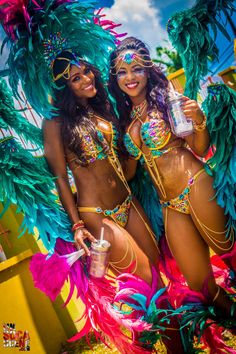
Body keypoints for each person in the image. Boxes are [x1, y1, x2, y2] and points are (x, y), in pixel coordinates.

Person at [43, 50, 185, 353]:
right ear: (64, 88)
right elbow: (59, 178)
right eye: (75, 78)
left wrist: (136, 145)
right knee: (148, 279)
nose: (86, 79)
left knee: (154, 277)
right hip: (98, 215)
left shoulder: (104, 110)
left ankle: (169, 346)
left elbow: (126, 166)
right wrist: (78, 226)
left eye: (86, 71)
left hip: (129, 204)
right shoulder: (54, 125)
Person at [108, 36, 236, 318]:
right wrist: (123, 154)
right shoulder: (124, 121)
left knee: (232, 255)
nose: (130, 77)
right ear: (114, 77)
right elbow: (129, 174)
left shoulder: (168, 99)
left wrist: (199, 120)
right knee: (201, 286)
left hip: (195, 184)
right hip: (169, 205)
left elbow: (200, 148)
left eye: (137, 68)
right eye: (122, 72)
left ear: (148, 70)